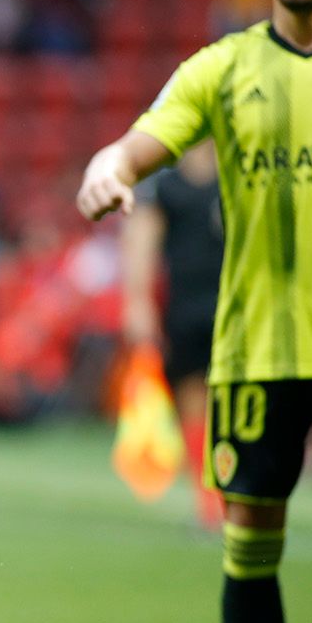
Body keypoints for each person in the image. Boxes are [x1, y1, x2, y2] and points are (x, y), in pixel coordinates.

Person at [77, 0, 312, 623]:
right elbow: (137, 147)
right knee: (249, 555)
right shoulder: (222, 68)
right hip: (254, 356)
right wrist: (107, 170)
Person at [119, 140, 225, 529]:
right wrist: (138, 303)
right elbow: (141, 243)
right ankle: (208, 502)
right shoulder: (165, 187)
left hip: (237, 305)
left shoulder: (240, 174)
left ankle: (234, 494)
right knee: (193, 400)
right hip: (185, 308)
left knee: (232, 405)